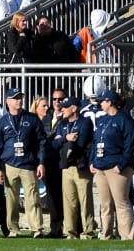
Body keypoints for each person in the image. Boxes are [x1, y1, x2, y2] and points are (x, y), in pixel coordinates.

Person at [0, 87, 46, 238]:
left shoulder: (31, 118)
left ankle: (36, 229)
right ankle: (13, 229)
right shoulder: (2, 122)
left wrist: (41, 162)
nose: (19, 100)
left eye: (20, 97)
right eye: (15, 98)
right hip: (9, 165)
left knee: (33, 198)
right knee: (11, 199)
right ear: (8, 101)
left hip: (28, 163)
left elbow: (41, 141)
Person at [91, 89, 134, 240]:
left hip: (116, 167)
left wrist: (121, 164)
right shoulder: (102, 120)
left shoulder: (125, 120)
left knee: (121, 203)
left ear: (110, 102)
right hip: (101, 166)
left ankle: (127, 236)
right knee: (105, 204)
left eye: (103, 101)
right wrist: (93, 161)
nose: (101, 104)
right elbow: (96, 142)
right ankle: (105, 234)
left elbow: (130, 144)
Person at [50, 96, 95, 239]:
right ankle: (70, 232)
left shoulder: (85, 122)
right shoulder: (62, 124)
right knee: (69, 202)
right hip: (66, 166)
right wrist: (66, 139)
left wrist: (64, 141)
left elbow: (80, 143)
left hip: (81, 166)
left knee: (85, 200)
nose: (62, 109)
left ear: (74, 108)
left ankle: (88, 231)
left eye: (65, 107)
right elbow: (54, 144)